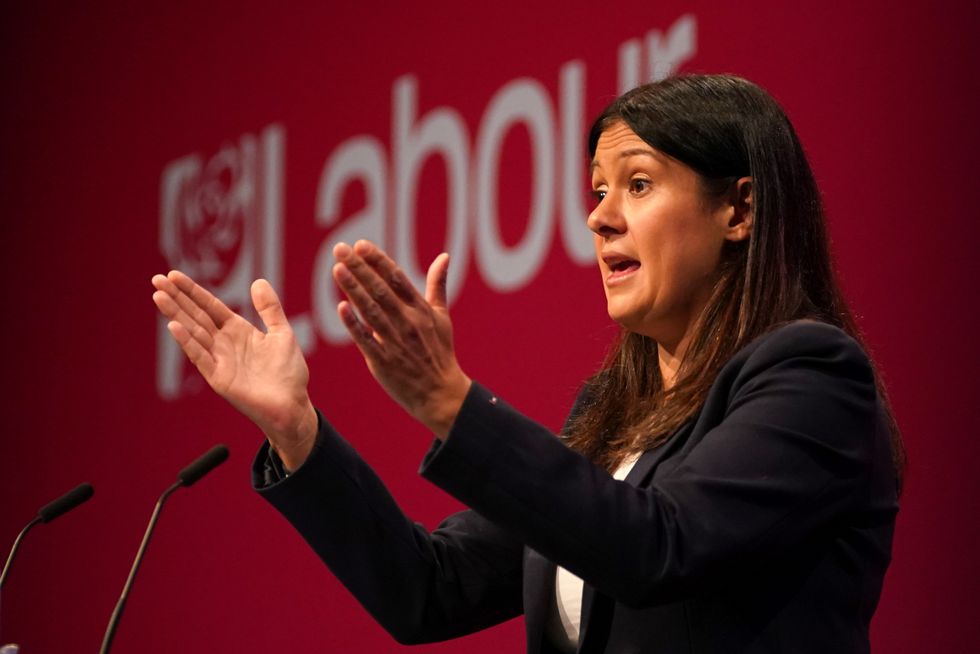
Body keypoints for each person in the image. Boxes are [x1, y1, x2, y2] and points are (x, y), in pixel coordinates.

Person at [151, 74, 902, 653]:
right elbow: (429, 589)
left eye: (637, 184)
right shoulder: (610, 417)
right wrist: (296, 430)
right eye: (597, 191)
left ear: (739, 210)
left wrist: (452, 402)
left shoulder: (812, 376)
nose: (599, 215)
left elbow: (659, 546)